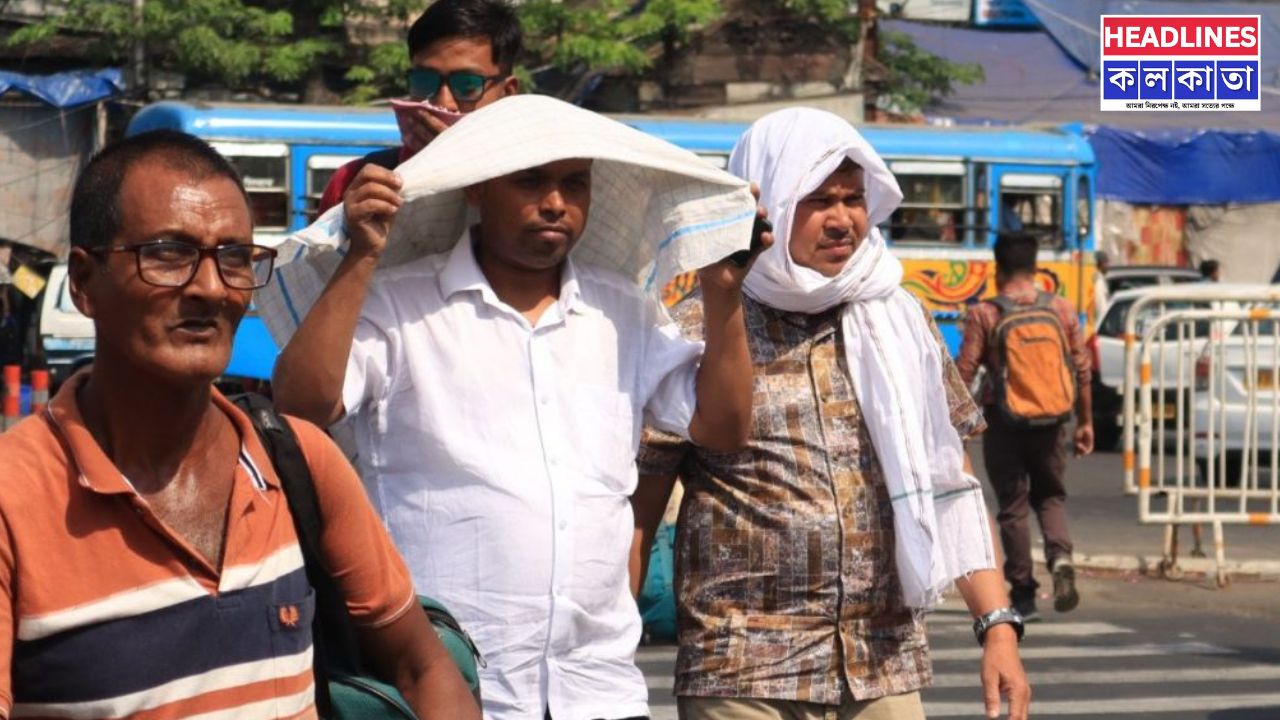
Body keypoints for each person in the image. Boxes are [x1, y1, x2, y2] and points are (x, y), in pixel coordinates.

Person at [271, 97, 767, 720]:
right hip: (449, 690)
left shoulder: (623, 310)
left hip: (599, 692)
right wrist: (362, 256)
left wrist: (724, 296)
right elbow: (300, 406)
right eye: (531, 180)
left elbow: (722, 428)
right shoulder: (398, 304)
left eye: (574, 183)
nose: (555, 202)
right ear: (476, 189)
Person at [0, 130, 480, 719]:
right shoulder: (15, 498)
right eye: (167, 254)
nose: (210, 288)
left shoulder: (297, 461)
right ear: (83, 282)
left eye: (234, 258)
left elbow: (423, 664)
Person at [636, 108, 1029, 720]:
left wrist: (997, 625)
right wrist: (604, 648)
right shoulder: (697, 325)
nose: (843, 218)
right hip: (744, 670)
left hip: (881, 664)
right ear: (768, 208)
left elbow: (950, 482)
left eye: (853, 197)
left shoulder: (901, 319)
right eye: (818, 200)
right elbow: (642, 504)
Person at [957, 231, 1092, 622]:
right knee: (1050, 496)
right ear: (1036, 268)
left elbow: (965, 371)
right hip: (1053, 420)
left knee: (1013, 507)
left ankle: (1025, 594)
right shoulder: (1062, 309)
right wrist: (1084, 422)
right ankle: (1061, 558)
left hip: (1005, 420)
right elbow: (1082, 370)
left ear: (997, 269)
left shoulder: (986, 313)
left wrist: (954, 424)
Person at [315, 0, 521, 215]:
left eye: (467, 85)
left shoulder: (533, 187)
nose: (443, 102)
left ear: (506, 92)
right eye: (425, 81)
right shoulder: (355, 182)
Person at [1093, 249, 1111, 319]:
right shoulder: (1098, 281)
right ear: (1099, 264)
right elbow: (1101, 306)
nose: (1108, 265)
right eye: (1106, 263)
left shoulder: (1101, 279)